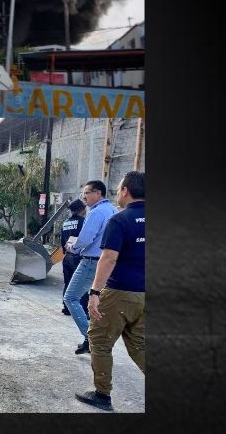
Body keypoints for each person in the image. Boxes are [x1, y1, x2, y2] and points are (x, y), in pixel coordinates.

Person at [75, 171, 145, 412]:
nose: (117, 192)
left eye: (118, 188)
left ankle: (102, 394)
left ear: (126, 190)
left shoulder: (120, 219)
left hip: (119, 292)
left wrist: (94, 292)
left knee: (99, 340)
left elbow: (108, 258)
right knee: (140, 345)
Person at [62, 180, 118, 354]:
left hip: (91, 261)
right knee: (96, 302)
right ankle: (94, 339)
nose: (84, 197)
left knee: (70, 297)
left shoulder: (96, 213)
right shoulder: (113, 211)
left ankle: (91, 338)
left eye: (87, 193)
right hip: (108, 263)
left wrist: (73, 247)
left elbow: (86, 238)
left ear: (98, 193)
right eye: (84, 193)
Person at [59, 199, 88, 316]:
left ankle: (66, 308)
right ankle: (83, 310)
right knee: (83, 283)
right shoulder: (84, 222)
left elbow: (62, 241)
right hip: (79, 256)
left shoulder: (65, 222)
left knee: (68, 282)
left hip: (67, 256)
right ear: (82, 209)